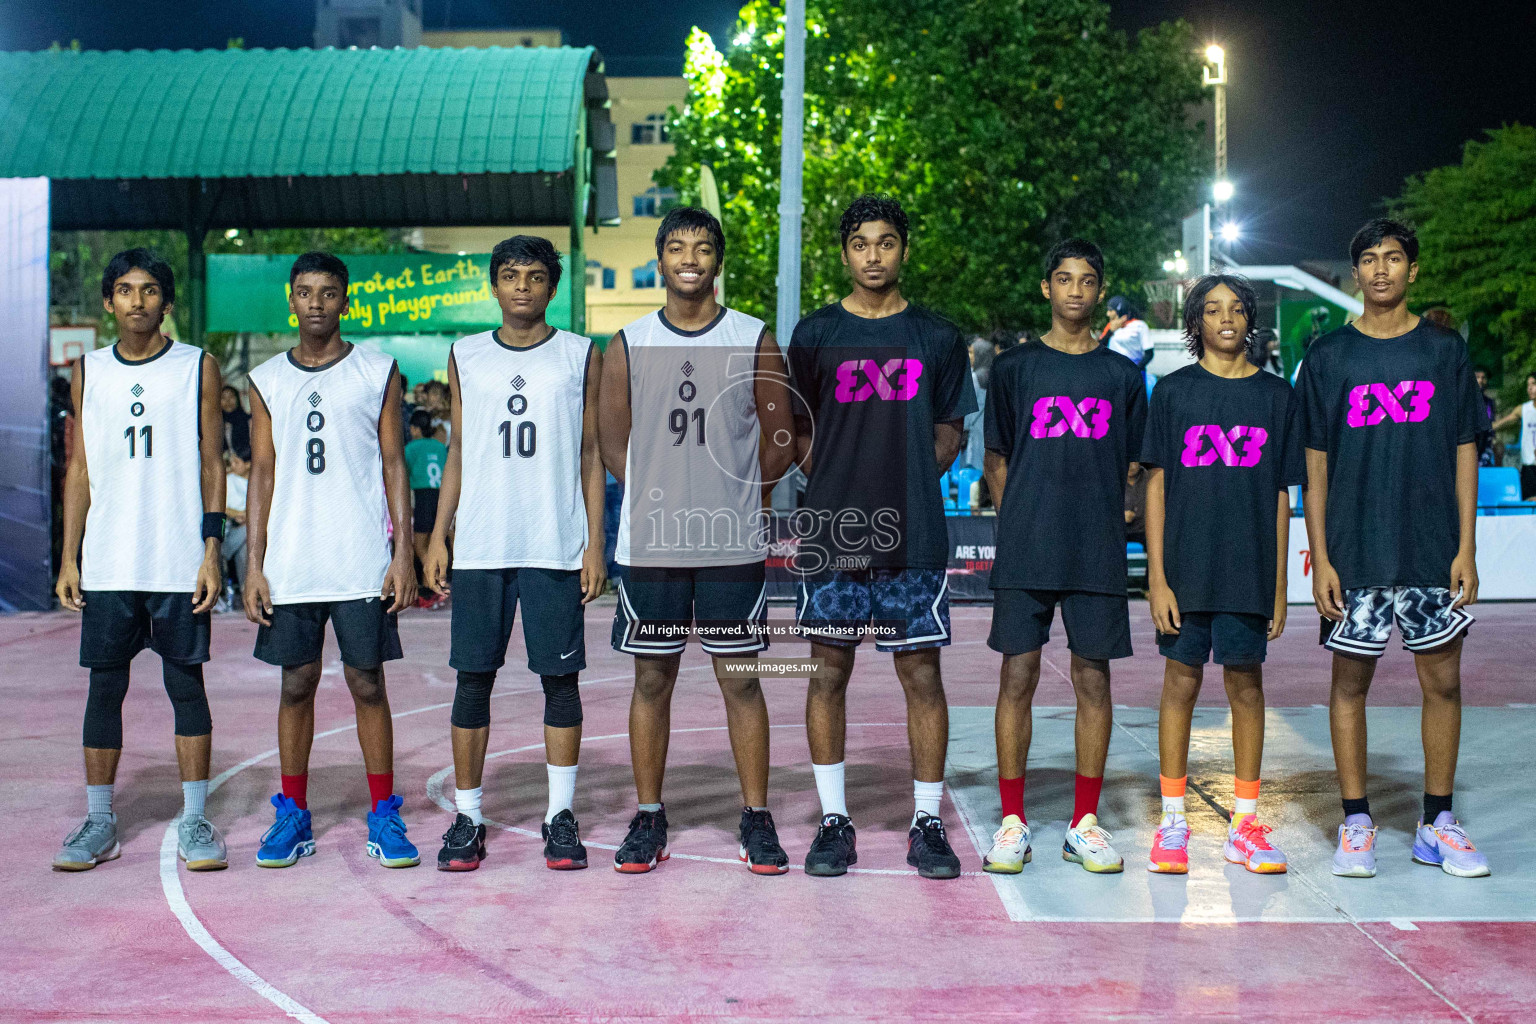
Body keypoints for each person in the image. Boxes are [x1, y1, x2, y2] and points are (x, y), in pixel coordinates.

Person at [598, 207, 796, 874]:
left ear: (718, 262)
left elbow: (781, 439)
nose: (690, 257)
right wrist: (666, 490)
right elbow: (613, 444)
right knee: (652, 679)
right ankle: (650, 816)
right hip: (652, 546)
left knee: (741, 681)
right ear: (659, 261)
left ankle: (756, 817)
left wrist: (737, 496)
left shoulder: (752, 337)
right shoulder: (625, 342)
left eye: (703, 247)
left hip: (730, 545)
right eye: (677, 247)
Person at [788, 194, 977, 880]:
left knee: (921, 673)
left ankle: (927, 822)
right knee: (827, 671)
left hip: (913, 531)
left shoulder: (936, 336)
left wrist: (904, 479)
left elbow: (951, 428)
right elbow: (798, 428)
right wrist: (836, 478)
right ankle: (834, 821)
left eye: (886, 242)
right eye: (861, 243)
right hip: (836, 529)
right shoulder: (814, 336)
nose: (874, 255)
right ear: (845, 253)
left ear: (904, 249)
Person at [1292, 218, 1487, 879]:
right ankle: (1356, 822)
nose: (1381, 270)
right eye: (1369, 260)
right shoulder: (1326, 358)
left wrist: (1466, 545)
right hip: (1356, 552)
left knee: (1445, 683)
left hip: (1432, 547)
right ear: (1356, 275)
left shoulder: (1443, 351)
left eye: (1394, 258)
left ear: (1413, 271)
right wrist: (1320, 556)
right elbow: (1313, 465)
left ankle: (1438, 823)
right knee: (1350, 685)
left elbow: (1466, 449)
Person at [422, 235, 607, 872]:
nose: (522, 285)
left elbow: (591, 456)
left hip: (554, 543)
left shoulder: (581, 354)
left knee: (561, 681)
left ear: (553, 287)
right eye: (509, 275)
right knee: (474, 681)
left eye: (534, 276)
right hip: (481, 543)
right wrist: (438, 533)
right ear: (493, 287)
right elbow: (458, 451)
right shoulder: (465, 355)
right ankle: (467, 818)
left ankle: (561, 814)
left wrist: (594, 545)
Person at [52, 248, 228, 872]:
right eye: (124, 290)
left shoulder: (196, 368)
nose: (137, 300)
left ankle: (196, 819)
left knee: (187, 686)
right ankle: (100, 821)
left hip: (177, 559)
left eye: (150, 290)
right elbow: (81, 468)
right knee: (105, 689)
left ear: (166, 301)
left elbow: (212, 463)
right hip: (109, 561)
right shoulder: (87, 371)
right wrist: (69, 556)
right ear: (107, 302)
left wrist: (211, 549)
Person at [243, 252, 420, 870]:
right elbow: (261, 473)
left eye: (328, 292)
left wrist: (404, 554)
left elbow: (395, 464)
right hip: (293, 561)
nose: (316, 302)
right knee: (297, 683)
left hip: (360, 557)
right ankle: (293, 813)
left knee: (367, 681)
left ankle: (383, 812)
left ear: (346, 301)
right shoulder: (267, 379)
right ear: (290, 300)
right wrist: (254, 562)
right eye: (304, 292)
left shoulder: (377, 371)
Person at [979, 238, 1146, 876]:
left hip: (1095, 550)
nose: (1075, 290)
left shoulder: (1122, 377)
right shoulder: (1015, 369)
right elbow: (996, 458)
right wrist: (1015, 516)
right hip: (1028, 547)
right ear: (1046, 288)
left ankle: (1084, 823)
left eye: (1086, 281)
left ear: (1099, 291)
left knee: (1092, 680)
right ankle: (1013, 821)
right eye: (1063, 279)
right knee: (1015, 677)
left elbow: (1137, 465)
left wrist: (1121, 508)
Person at [1141, 275, 1305, 875]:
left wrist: (1282, 584)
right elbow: (1154, 485)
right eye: (1213, 310)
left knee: (1246, 687)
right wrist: (1157, 577)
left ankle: (1244, 822)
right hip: (1185, 567)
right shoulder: (1173, 393)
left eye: (1236, 309)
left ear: (1250, 319)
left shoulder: (1276, 396)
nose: (1226, 318)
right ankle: (1174, 819)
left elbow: (1283, 497)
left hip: (1247, 567)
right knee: (1179, 684)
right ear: (1196, 322)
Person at [405, 409, 447, 609]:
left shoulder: (411, 447)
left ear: (414, 428)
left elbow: (402, 474)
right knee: (434, 543)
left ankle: (436, 580)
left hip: (423, 497)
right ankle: (430, 591)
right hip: (441, 498)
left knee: (420, 546)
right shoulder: (439, 447)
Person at [1492, 372, 1536, 496]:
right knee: (1529, 501)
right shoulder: (1524, 409)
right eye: (1528, 385)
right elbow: (1501, 424)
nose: (1530, 388)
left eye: (1533, 384)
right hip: (1529, 467)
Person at [221, 449, 250, 604]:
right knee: (246, 536)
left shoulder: (255, 480)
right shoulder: (229, 480)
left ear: (247, 465)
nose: (232, 465)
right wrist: (241, 514)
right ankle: (245, 588)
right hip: (230, 527)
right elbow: (223, 506)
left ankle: (245, 589)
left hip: (246, 528)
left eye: (236, 462)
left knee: (246, 543)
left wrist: (248, 516)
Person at [1104, 295, 1151, 367]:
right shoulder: (1110, 327)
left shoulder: (1139, 326)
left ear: (1119, 311)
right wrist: (1110, 331)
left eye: (1110, 310)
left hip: (1134, 369)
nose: (1108, 314)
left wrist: (1135, 369)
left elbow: (1149, 353)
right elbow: (1098, 348)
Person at [220, 384, 251, 459]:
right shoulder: (218, 424)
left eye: (231, 396)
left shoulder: (247, 420)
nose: (228, 401)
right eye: (223, 398)